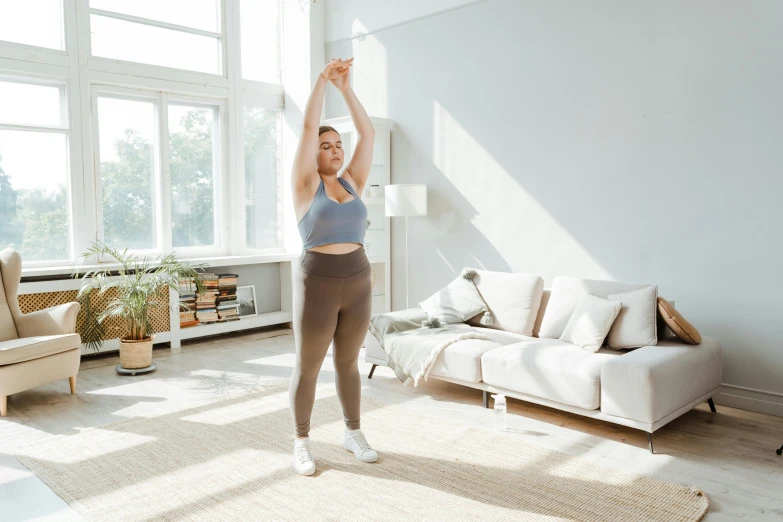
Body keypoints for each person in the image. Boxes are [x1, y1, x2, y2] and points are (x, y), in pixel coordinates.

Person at [289, 57, 378, 476]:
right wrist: (322, 81)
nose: (335, 149)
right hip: (319, 282)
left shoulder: (352, 182)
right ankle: (302, 441)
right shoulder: (305, 186)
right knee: (308, 366)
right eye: (326, 145)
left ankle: (352, 432)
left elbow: (368, 132)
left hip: (358, 279)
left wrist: (345, 88)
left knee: (348, 362)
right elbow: (308, 129)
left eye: (337, 145)